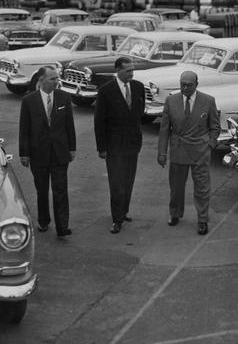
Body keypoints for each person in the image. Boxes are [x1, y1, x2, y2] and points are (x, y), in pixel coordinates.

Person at [157, 70, 220, 235]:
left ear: (196, 85)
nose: (185, 88)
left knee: (202, 187)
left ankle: (202, 219)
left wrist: (210, 145)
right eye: (182, 84)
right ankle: (175, 213)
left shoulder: (208, 101)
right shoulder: (171, 101)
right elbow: (164, 129)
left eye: (188, 85)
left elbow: (215, 127)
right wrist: (162, 153)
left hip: (200, 150)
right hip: (179, 149)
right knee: (176, 187)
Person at [19, 66, 76, 237]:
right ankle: (43, 221)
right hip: (38, 154)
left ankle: (62, 227)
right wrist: (24, 153)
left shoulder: (64, 97)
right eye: (52, 79)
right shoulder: (29, 101)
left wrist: (72, 148)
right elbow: (24, 129)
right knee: (42, 190)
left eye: (57, 78)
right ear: (41, 80)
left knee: (60, 190)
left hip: (60, 152)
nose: (56, 82)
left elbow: (69, 126)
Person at [94, 56, 145, 234]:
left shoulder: (138, 87)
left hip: (132, 144)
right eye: (128, 70)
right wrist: (102, 148)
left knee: (129, 181)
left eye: (132, 70)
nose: (132, 73)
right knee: (116, 183)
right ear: (118, 71)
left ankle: (124, 211)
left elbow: (139, 113)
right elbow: (99, 121)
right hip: (114, 146)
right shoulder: (106, 91)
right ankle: (116, 219)